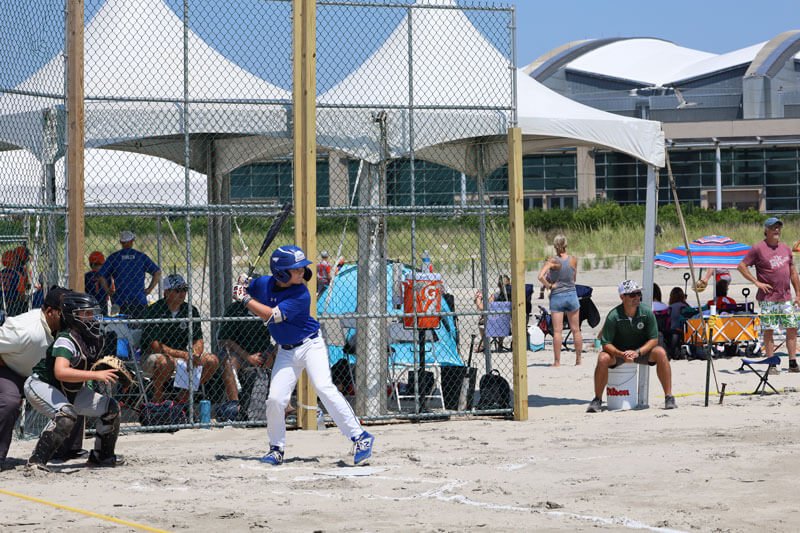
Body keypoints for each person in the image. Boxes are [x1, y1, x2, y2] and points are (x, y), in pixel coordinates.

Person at [233, 244, 374, 466]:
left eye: (300, 268)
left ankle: (360, 437)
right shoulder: (264, 284)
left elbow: (270, 316)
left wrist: (244, 299)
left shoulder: (301, 294)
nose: (302, 272)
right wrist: (243, 284)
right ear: (281, 273)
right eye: (296, 269)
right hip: (285, 351)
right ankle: (276, 448)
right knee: (276, 400)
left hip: (311, 345)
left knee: (324, 388)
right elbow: (250, 286)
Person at [24, 292, 124, 470]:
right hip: (41, 385)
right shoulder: (66, 339)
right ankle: (36, 462)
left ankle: (102, 457)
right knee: (66, 415)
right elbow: (61, 372)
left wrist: (108, 369)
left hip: (70, 389)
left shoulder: (92, 338)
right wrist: (95, 376)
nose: (91, 317)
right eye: (85, 314)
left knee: (111, 409)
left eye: (92, 313)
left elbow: (88, 364)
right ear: (72, 316)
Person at [0, 287, 71, 470]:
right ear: (49, 312)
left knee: (72, 391)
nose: (69, 315)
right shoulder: (23, 329)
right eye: (64, 311)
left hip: (40, 375)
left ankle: (67, 450)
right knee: (9, 401)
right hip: (10, 370)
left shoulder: (70, 328)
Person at [586, 280, 676, 412]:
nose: (637, 297)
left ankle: (669, 397)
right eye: (632, 295)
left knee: (661, 352)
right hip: (619, 354)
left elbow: (653, 340)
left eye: (638, 294)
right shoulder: (614, 315)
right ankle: (597, 399)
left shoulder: (646, 312)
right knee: (602, 358)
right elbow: (606, 343)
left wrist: (637, 352)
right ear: (622, 297)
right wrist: (621, 354)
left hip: (641, 352)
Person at [139, 274, 219, 404]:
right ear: (166, 292)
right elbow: (156, 346)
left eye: (184, 290)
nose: (182, 294)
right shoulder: (154, 310)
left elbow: (198, 340)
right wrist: (184, 355)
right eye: (177, 290)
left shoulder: (190, 310)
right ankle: (157, 402)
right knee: (165, 362)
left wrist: (194, 354)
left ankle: (183, 398)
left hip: (184, 356)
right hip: (154, 356)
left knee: (211, 360)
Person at [738, 216, 800, 373]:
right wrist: (756, 282)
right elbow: (742, 265)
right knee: (769, 329)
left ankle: (792, 362)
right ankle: (772, 363)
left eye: (778, 227)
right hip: (768, 298)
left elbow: (793, 272)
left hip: (786, 297)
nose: (777, 230)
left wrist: (798, 293)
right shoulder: (758, 248)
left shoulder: (785, 248)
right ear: (766, 230)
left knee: (792, 327)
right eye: (773, 227)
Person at [216, 295, 276, 421]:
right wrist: (248, 357)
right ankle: (235, 406)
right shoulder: (235, 309)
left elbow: (282, 337)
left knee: (285, 354)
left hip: (263, 353)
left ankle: (282, 404)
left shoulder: (267, 308)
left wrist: (270, 353)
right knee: (229, 361)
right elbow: (224, 341)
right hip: (240, 354)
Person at [538, 235, 583, 366]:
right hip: (571, 295)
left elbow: (540, 276)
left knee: (557, 331)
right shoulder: (573, 260)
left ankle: (557, 362)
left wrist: (549, 285)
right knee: (576, 330)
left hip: (557, 296)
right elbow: (574, 279)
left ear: (555, 246)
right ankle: (578, 360)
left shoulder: (552, 261)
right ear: (566, 245)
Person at [98, 230, 161, 318]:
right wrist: (149, 289)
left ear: (121, 242)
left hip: (120, 300)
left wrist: (108, 291)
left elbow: (101, 276)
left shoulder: (114, 257)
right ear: (132, 241)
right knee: (141, 326)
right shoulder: (141, 256)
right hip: (139, 299)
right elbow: (157, 272)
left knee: (121, 328)